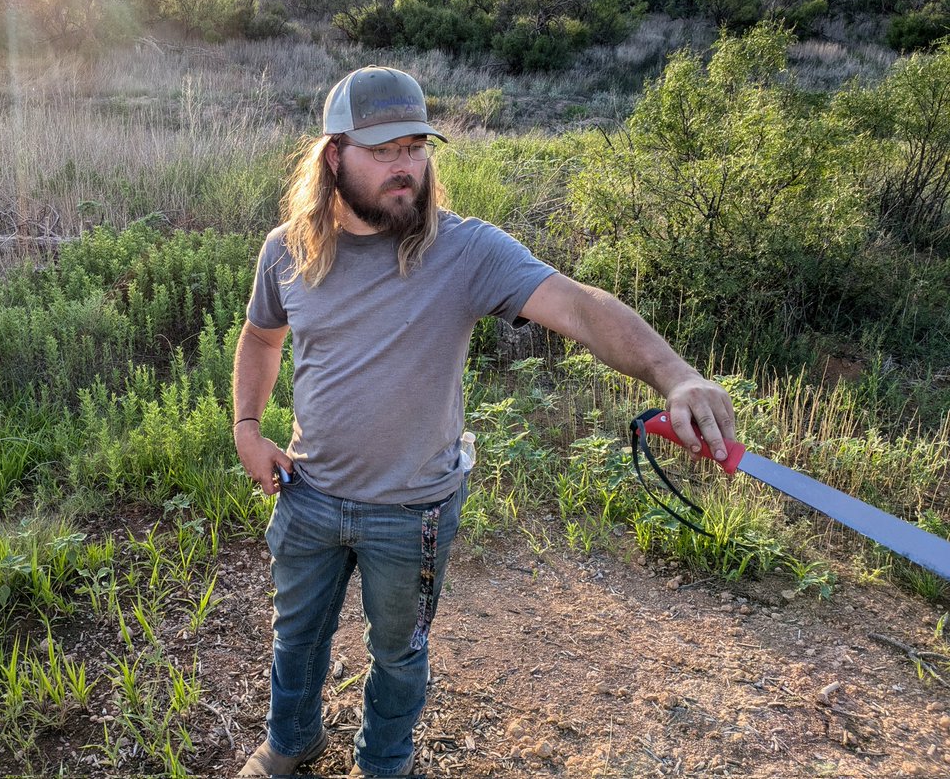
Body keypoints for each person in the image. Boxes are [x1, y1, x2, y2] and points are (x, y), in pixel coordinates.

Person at [232, 65, 735, 777]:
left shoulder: (463, 251)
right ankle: (292, 742)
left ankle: (384, 763)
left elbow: (579, 306)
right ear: (335, 154)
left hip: (412, 511)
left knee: (398, 651)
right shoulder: (287, 249)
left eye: (416, 145)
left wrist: (676, 374)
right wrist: (247, 427)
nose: (405, 166)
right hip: (309, 493)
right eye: (384, 150)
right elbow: (260, 337)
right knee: (296, 638)